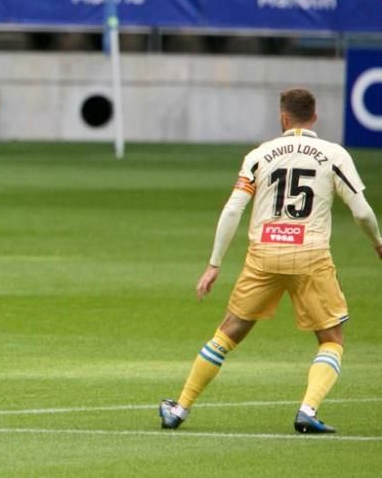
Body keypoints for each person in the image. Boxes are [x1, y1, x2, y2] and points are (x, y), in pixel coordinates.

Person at [160, 88, 382, 434]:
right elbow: (362, 212)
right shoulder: (334, 155)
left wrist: (215, 263)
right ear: (315, 117)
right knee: (331, 338)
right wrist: (378, 243)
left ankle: (180, 408)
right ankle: (307, 410)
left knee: (227, 333)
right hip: (310, 255)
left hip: (263, 254)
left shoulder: (260, 155)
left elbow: (234, 208)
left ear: (283, 117)